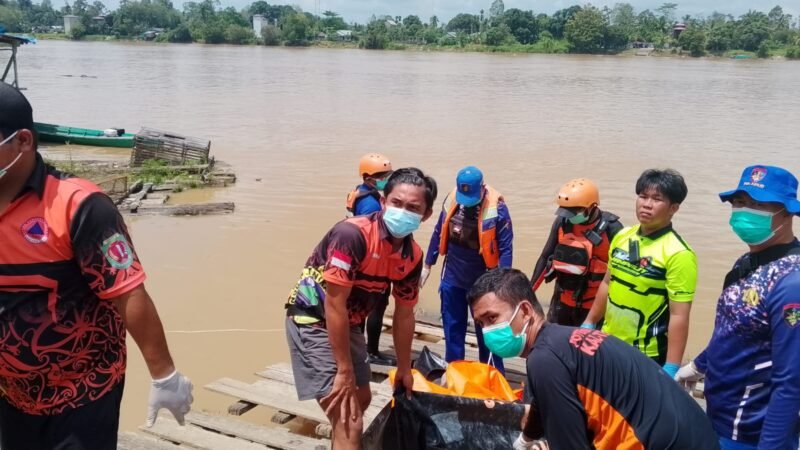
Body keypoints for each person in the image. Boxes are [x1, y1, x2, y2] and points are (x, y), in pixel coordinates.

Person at [0, 83, 192, 449]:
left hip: (82, 391)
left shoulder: (79, 206)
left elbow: (128, 291)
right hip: (13, 395)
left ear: (22, 141)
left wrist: (164, 374)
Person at [469, 268, 720, 450]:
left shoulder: (544, 361)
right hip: (697, 435)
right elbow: (542, 403)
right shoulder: (561, 340)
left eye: (492, 318)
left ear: (524, 311)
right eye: (481, 323)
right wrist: (527, 438)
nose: (486, 330)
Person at [285, 167, 436, 449]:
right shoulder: (352, 235)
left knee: (362, 398)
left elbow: (404, 314)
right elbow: (334, 302)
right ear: (383, 201)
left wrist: (405, 368)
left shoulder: (412, 257)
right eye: (397, 203)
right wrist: (343, 370)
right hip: (313, 317)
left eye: (413, 208)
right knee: (349, 417)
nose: (403, 211)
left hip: (351, 322)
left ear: (425, 216)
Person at [675, 165, 800, 450]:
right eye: (740, 202)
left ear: (788, 212)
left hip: (753, 432)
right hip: (720, 415)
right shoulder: (746, 263)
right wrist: (698, 365)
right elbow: (732, 330)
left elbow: (791, 383)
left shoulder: (792, 283)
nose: (745, 212)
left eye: (758, 204)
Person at [583, 169, 697, 379]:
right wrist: (590, 321)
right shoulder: (623, 236)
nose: (646, 204)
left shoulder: (679, 253)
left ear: (674, 208)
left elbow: (679, 314)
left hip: (647, 354)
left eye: (656, 199)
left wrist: (671, 367)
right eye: (643, 196)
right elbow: (607, 283)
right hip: (608, 340)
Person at [422, 166, 513, 373]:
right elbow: (438, 232)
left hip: (484, 279)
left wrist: (503, 281)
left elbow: (506, 247)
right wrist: (428, 264)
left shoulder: (497, 209)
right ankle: (455, 371)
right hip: (453, 277)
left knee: (488, 332)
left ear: (482, 189)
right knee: (453, 327)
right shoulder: (452, 200)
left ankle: (492, 374)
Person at [531, 178, 623, 326]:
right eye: (566, 212)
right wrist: (530, 292)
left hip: (594, 308)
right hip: (561, 302)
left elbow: (622, 271)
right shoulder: (562, 222)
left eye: (574, 211)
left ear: (592, 207)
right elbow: (545, 256)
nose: (570, 216)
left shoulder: (612, 228)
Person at [346, 153, 396, 366]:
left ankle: (359, 350)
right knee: (376, 305)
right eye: (382, 175)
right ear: (368, 177)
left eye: (388, 174)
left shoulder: (361, 194)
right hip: (372, 262)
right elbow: (373, 235)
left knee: (360, 308)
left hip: (360, 261)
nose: (387, 178)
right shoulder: (370, 204)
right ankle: (371, 352)